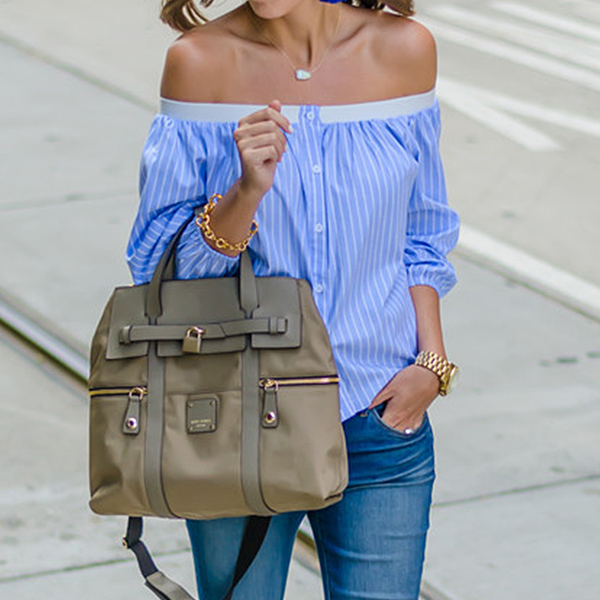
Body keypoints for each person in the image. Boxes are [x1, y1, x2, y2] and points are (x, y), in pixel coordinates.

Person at [126, 0, 461, 598]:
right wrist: (245, 193)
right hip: (240, 420)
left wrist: (430, 365)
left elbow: (421, 231)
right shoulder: (199, 63)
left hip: (381, 415)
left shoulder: (406, 51)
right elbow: (158, 270)